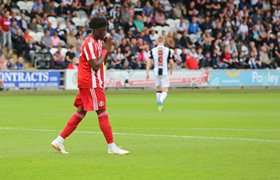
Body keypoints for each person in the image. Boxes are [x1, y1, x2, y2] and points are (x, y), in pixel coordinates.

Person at [51, 16, 129, 155]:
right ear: (96, 30)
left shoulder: (99, 41)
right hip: (91, 82)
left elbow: (102, 61)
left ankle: (59, 141)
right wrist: (106, 50)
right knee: (102, 111)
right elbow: (95, 66)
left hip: (90, 81)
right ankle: (112, 147)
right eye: (103, 30)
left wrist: (107, 49)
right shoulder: (89, 44)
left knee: (80, 112)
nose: (105, 33)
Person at [146, 36, 173, 112]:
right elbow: (171, 62)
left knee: (158, 89)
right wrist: (171, 69)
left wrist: (147, 72)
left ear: (157, 41)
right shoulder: (167, 50)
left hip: (156, 72)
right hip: (164, 72)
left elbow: (149, 62)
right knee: (165, 89)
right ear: (163, 41)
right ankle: (160, 101)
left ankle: (159, 106)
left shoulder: (153, 50)